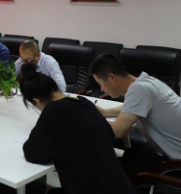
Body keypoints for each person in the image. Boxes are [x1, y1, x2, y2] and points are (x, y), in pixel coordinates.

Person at [20, 63, 134, 194]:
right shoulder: (85, 103)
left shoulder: (52, 110)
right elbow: (109, 135)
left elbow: (32, 153)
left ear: (36, 101)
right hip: (122, 187)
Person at [90, 54, 181, 175]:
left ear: (112, 77)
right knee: (129, 155)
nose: (101, 89)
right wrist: (105, 112)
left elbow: (117, 132)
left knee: (109, 170)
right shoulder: (145, 81)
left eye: (100, 83)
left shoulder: (138, 90)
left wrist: (89, 117)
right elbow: (133, 107)